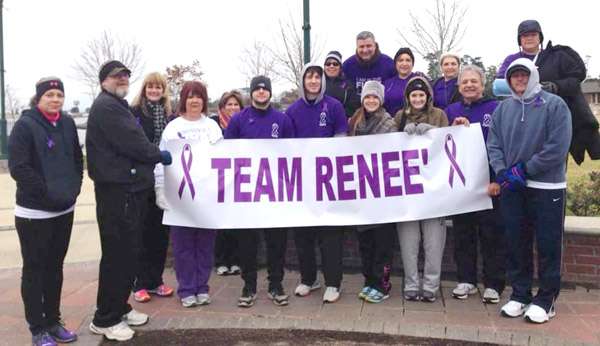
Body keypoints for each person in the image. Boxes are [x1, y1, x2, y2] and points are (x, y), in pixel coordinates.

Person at [86, 60, 172, 341]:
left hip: (129, 191)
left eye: (125, 76)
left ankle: (119, 307)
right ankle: (105, 319)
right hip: (116, 193)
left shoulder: (116, 105)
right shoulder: (107, 107)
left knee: (128, 254)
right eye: (116, 77)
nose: (122, 80)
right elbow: (134, 141)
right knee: (117, 255)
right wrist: (158, 155)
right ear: (104, 81)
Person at [487, 58, 572, 324]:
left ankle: (547, 299)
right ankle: (520, 293)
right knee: (516, 242)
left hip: (547, 187)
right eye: (515, 76)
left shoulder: (555, 105)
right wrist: (503, 171)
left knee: (547, 244)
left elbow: (557, 147)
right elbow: (494, 144)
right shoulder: (503, 109)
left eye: (524, 75)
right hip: (513, 186)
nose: (520, 80)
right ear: (509, 80)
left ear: (533, 76)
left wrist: (525, 169)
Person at [8, 77, 82, 346]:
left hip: (64, 209)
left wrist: (74, 188)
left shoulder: (67, 123)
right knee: (35, 270)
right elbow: (19, 168)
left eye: (59, 95)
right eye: (50, 95)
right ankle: (37, 327)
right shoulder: (25, 126)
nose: (55, 99)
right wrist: (47, 193)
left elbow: (76, 158)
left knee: (55, 268)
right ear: (38, 98)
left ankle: (53, 319)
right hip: (34, 213)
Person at [224, 75, 295, 308]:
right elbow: (227, 153)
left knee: (277, 242)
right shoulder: (239, 120)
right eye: (258, 89)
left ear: (270, 93)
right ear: (252, 93)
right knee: (247, 243)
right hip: (247, 193)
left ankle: (276, 284)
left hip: (275, 192)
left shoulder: (282, 120)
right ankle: (249, 286)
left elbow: (292, 154)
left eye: (265, 89)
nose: (262, 92)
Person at [155, 81, 222, 308]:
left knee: (205, 245)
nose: (195, 101)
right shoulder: (173, 128)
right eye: (190, 96)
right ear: (184, 99)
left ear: (204, 100)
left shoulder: (212, 127)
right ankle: (186, 289)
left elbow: (222, 161)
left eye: (199, 96)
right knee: (182, 246)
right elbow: (161, 162)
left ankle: (202, 287)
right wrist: (160, 189)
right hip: (180, 197)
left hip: (206, 198)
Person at [285, 63, 348, 303]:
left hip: (328, 181)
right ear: (303, 81)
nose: (313, 81)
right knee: (303, 235)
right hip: (302, 182)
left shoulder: (334, 106)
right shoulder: (292, 110)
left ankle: (333, 282)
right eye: (309, 77)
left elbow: (341, 139)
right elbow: (287, 147)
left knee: (330, 234)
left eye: (317, 77)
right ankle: (309, 278)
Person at [496, 19, 599, 164]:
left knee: (553, 157)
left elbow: (575, 79)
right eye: (525, 35)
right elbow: (498, 86)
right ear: (520, 40)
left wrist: (556, 86)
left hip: (552, 116)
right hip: (522, 117)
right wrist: (531, 86)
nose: (529, 38)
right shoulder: (512, 60)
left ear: (540, 37)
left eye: (533, 34)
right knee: (521, 160)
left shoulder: (556, 57)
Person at [444, 65, 505, 304]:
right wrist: (453, 129)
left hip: (489, 184)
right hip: (461, 187)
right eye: (464, 82)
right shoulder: (450, 110)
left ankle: (493, 284)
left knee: (492, 236)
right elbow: (439, 145)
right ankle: (466, 280)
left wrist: (498, 179)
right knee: (463, 235)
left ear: (482, 84)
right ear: (458, 87)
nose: (469, 85)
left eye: (473, 81)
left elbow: (504, 145)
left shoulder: (496, 109)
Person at [395, 76, 449, 303]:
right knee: (409, 243)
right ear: (408, 97)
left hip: (434, 191)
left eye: (421, 95)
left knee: (433, 242)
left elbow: (450, 144)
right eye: (413, 95)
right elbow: (386, 145)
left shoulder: (439, 115)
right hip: (407, 192)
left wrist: (435, 133)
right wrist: (399, 134)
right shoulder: (399, 117)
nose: (417, 99)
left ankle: (430, 286)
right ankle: (410, 284)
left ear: (427, 96)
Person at [348, 80, 397, 303]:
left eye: (375, 97)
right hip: (362, 191)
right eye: (367, 97)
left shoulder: (389, 123)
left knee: (382, 244)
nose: (370, 100)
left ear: (381, 100)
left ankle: (382, 285)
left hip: (383, 193)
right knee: (365, 243)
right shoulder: (355, 122)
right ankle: (369, 281)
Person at [129, 72, 175, 303]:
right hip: (142, 180)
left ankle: (156, 280)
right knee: (142, 232)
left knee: (160, 234)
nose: (154, 91)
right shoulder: (134, 112)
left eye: (158, 87)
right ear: (144, 89)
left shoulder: (170, 115)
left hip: (165, 179)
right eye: (150, 87)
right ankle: (139, 283)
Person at [213, 90, 244, 276]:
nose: (232, 108)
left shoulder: (243, 122)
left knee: (237, 221)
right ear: (222, 107)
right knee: (221, 223)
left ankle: (236, 260)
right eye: (229, 105)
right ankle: (221, 261)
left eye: (236, 105)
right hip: (220, 177)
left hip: (240, 176)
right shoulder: (213, 124)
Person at [342, 31, 396, 95]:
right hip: (355, 104)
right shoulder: (347, 66)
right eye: (361, 47)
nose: (365, 50)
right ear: (357, 47)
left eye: (368, 46)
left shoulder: (389, 64)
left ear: (375, 46)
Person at [383, 47, 428, 116]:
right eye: (400, 60)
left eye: (408, 60)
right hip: (390, 123)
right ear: (395, 63)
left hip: (413, 122)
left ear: (412, 63)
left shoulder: (420, 81)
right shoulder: (388, 83)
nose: (404, 63)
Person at [323, 50, 361, 117]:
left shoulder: (348, 85)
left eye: (335, 64)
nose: (331, 66)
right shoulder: (318, 83)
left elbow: (353, 107)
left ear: (340, 67)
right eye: (328, 64)